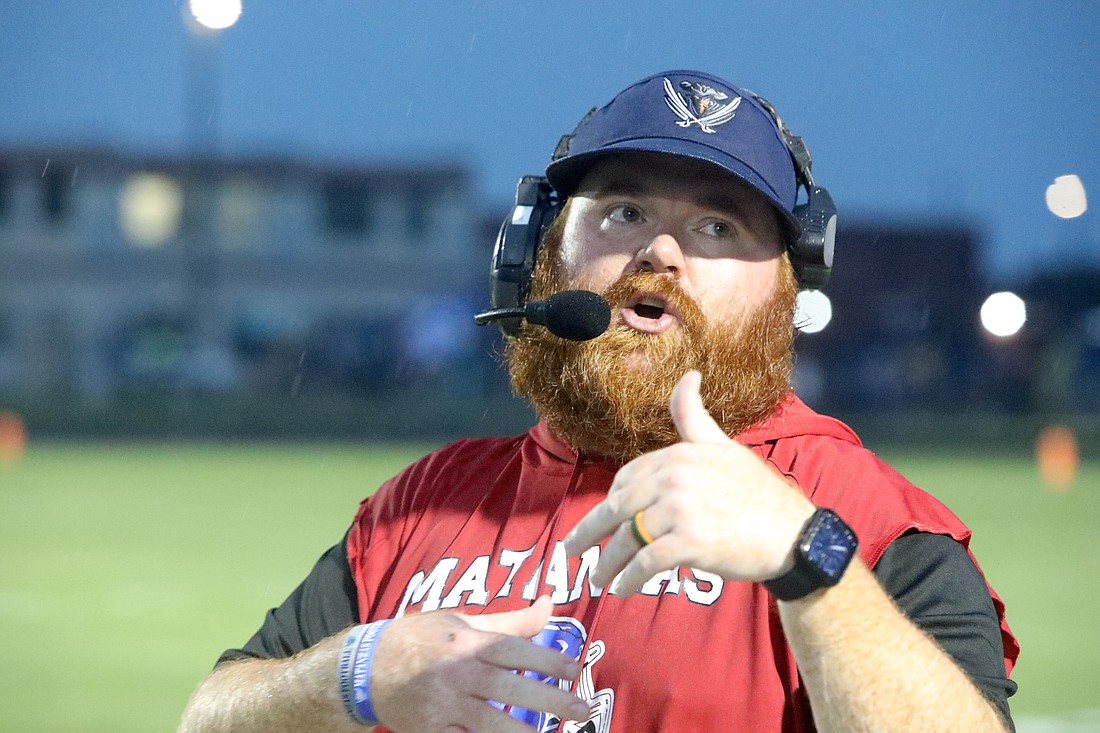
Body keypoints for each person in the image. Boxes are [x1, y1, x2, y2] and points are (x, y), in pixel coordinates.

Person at [178, 69, 1018, 733]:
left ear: (786, 290)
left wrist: (808, 561)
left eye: (718, 227)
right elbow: (208, 717)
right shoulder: (417, 506)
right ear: (536, 255)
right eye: (623, 211)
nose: (660, 250)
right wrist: (358, 672)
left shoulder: (867, 520)